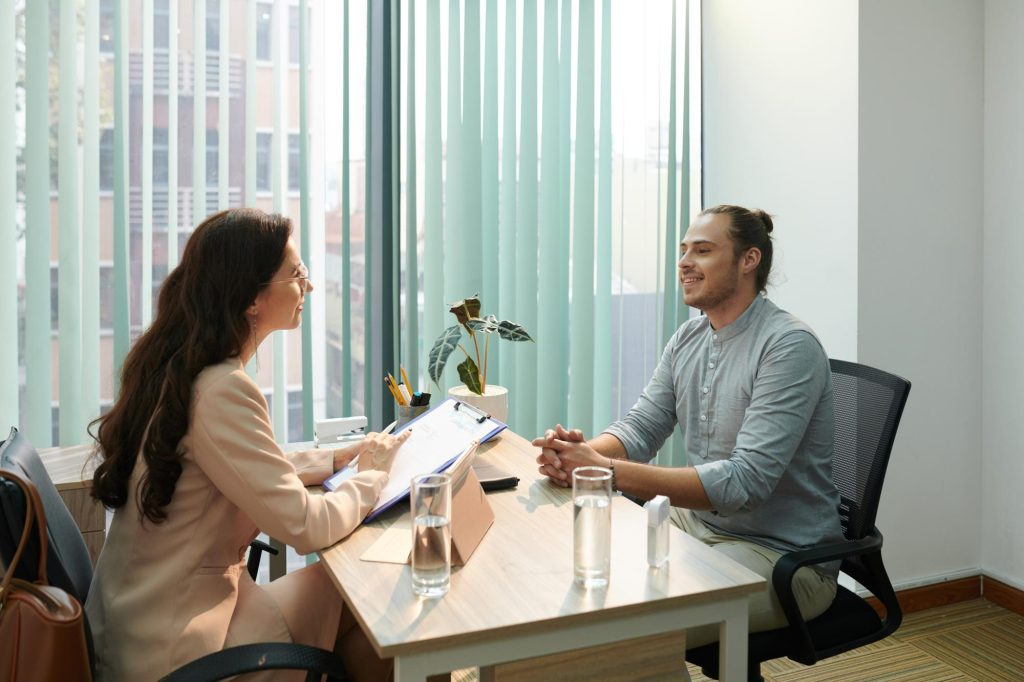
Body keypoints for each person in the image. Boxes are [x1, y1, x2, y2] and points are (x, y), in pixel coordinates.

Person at [86, 208, 409, 681]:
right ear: (252, 299)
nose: (309, 285)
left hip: (140, 626)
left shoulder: (178, 370)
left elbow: (231, 464)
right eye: (296, 274)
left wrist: (331, 460)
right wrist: (372, 477)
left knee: (364, 619)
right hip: (180, 650)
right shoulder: (223, 389)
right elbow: (305, 525)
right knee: (369, 591)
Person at [535, 204, 843, 652]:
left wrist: (603, 470)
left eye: (702, 250)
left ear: (748, 260)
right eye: (683, 250)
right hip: (693, 526)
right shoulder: (688, 338)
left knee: (631, 633)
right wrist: (578, 457)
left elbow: (744, 483)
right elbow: (642, 427)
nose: (684, 262)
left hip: (782, 556)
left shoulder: (789, 346)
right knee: (574, 583)